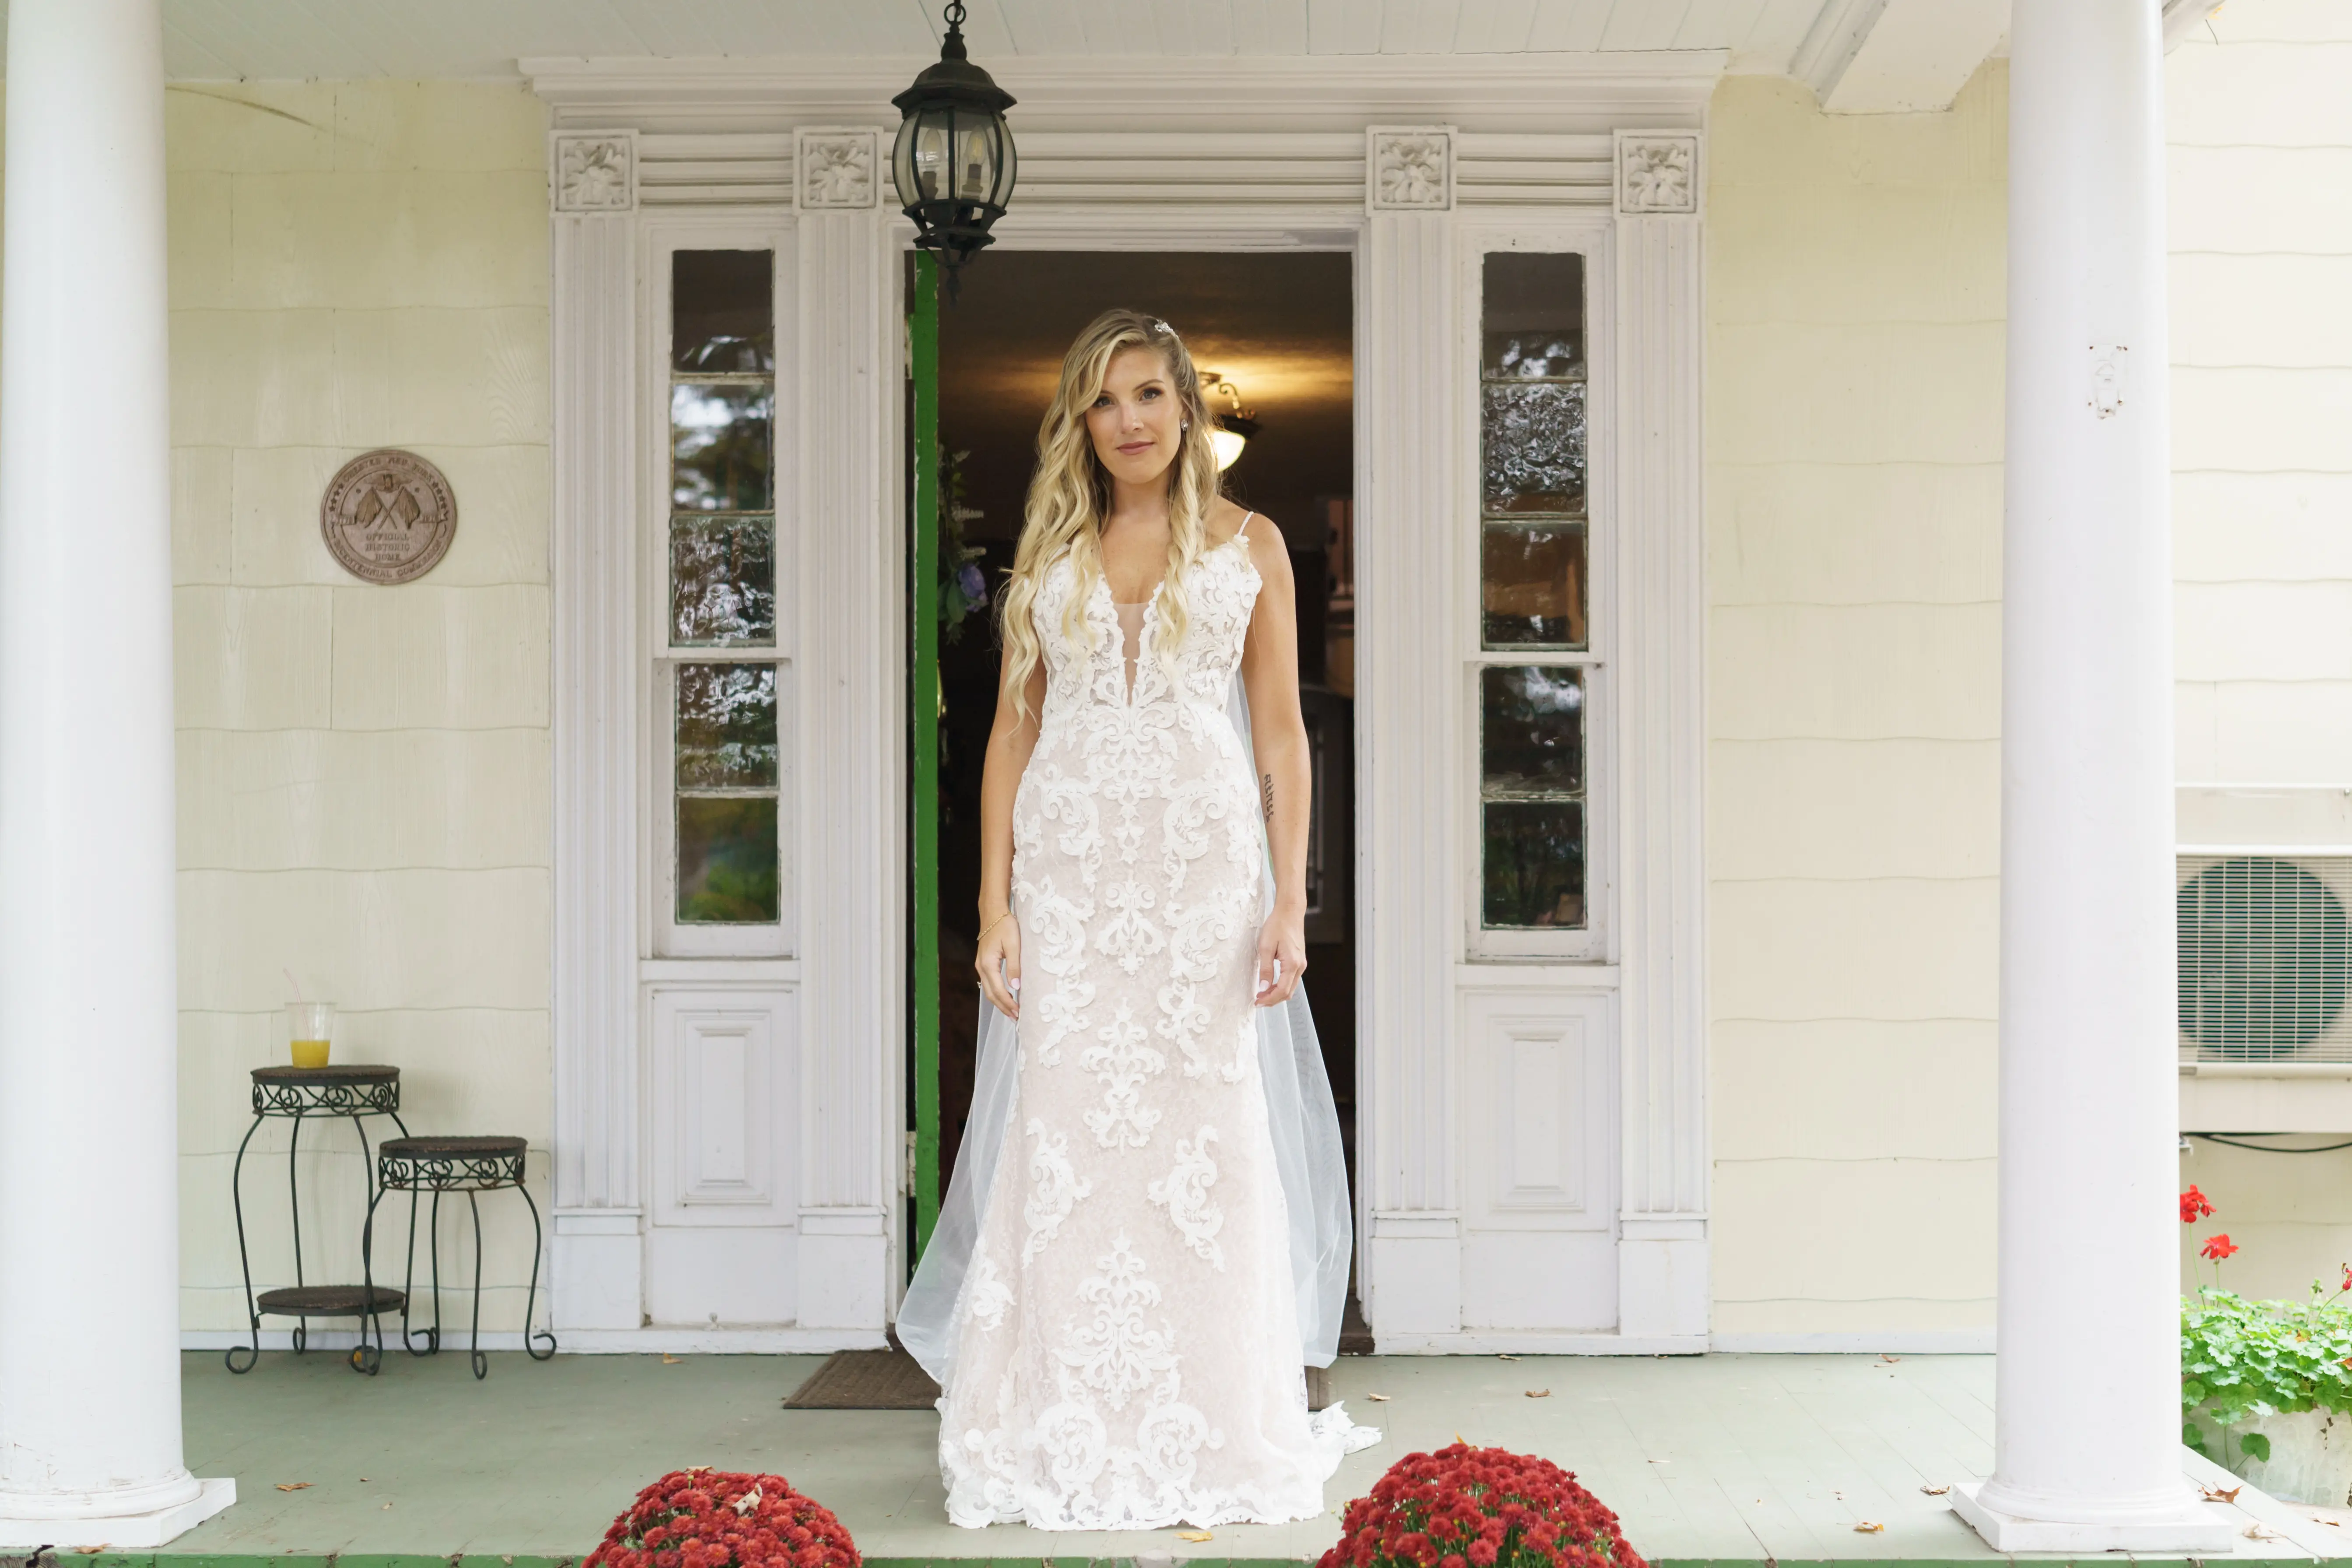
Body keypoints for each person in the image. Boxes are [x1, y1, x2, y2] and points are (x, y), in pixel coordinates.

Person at [897, 309, 1374, 1529]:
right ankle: (1054, 1420)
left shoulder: (1250, 543)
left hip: (1200, 880)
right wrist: (994, 907)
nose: (1129, 421)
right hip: (1067, 880)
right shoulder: (1048, 550)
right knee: (1067, 1137)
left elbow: (1281, 736)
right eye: (1105, 401)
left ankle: (1209, 1420)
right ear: (1079, 420)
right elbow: (1010, 736)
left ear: (1186, 409)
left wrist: (1288, 900)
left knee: (1199, 1138)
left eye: (1150, 394)